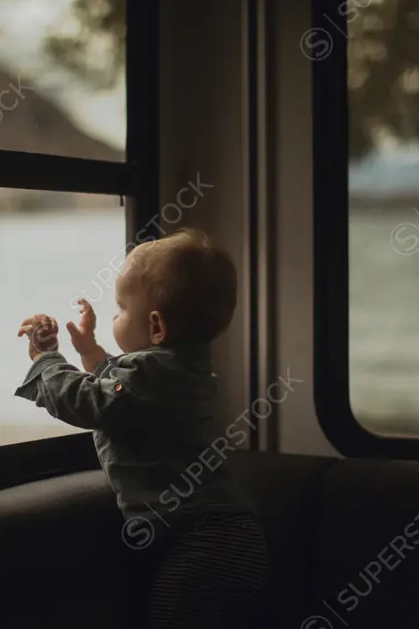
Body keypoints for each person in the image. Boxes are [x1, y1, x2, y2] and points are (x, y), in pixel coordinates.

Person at [14, 228, 270, 629]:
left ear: (156, 328)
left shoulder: (152, 374)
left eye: (119, 310)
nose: (114, 316)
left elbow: (93, 402)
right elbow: (126, 396)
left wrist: (48, 359)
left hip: (200, 546)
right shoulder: (182, 369)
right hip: (230, 538)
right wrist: (92, 353)